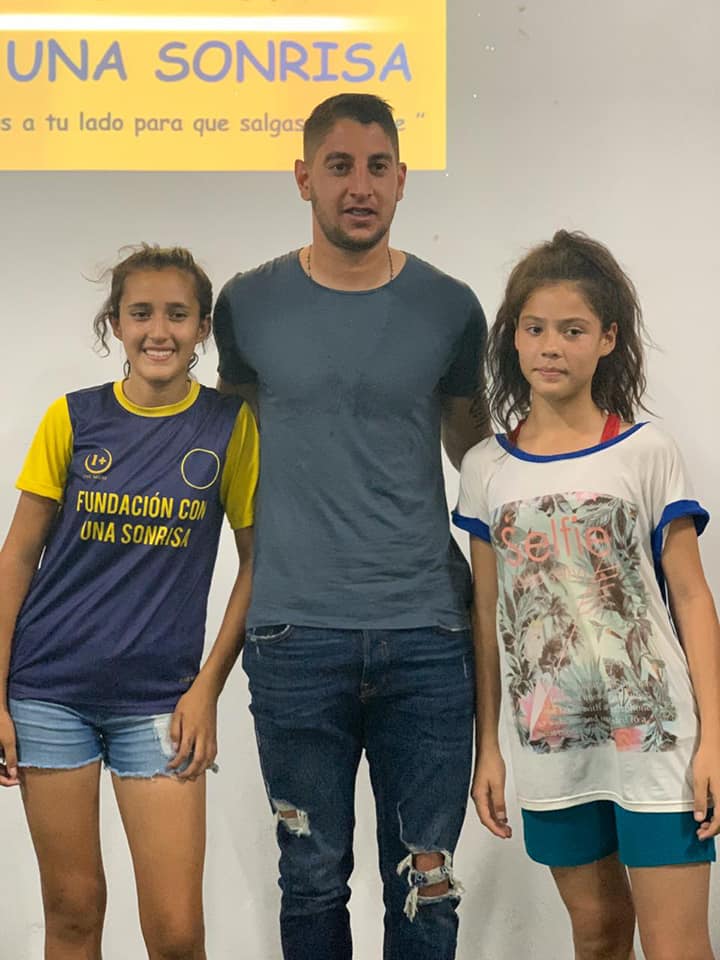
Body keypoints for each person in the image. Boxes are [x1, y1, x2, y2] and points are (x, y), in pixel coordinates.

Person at [214, 93, 489, 960]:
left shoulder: (451, 307)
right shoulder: (246, 304)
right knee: (311, 884)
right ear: (304, 177)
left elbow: (477, 452)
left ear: (402, 179)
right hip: (294, 635)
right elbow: (224, 444)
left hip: (428, 635)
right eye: (339, 167)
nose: (359, 187)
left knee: (426, 887)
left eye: (377, 168)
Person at [453, 230, 720, 960]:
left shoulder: (647, 452)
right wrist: (488, 749)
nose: (551, 347)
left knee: (676, 946)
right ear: (512, 336)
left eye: (573, 330)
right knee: (598, 936)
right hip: (550, 745)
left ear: (608, 339)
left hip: (657, 738)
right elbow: (487, 615)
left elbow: (692, 598)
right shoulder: (485, 468)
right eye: (534, 328)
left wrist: (714, 740)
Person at [0, 245, 259, 960]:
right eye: (140, 313)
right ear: (115, 322)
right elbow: (16, 558)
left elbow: (258, 564)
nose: (158, 331)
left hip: (160, 702)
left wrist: (207, 689)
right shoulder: (72, 418)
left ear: (202, 327)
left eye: (177, 314)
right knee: (73, 912)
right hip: (49, 693)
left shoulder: (228, 426)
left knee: (176, 934)